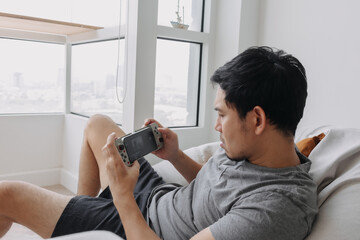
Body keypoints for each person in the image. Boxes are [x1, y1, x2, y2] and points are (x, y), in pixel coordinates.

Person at [0, 46, 318, 240]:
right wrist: (175, 156)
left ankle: (87, 218)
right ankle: (82, 224)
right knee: (97, 123)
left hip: (144, 229)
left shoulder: (274, 211)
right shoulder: (263, 151)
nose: (217, 126)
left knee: (7, 195)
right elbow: (220, 189)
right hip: (158, 198)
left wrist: (123, 197)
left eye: (222, 115)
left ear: (257, 120)